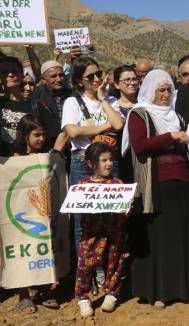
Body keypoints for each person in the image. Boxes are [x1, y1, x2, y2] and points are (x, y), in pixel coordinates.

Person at [123, 69, 189, 309]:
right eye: (161, 90)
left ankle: (183, 288)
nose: (165, 94)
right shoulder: (139, 114)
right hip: (156, 186)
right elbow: (140, 147)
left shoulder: (177, 117)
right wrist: (171, 136)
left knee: (179, 236)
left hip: (181, 185)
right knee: (158, 238)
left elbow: (186, 142)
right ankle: (159, 291)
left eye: (169, 89)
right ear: (150, 90)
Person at [5, 114, 67, 313]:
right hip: (20, 214)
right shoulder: (13, 158)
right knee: (23, 249)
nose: (41, 139)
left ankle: (46, 290)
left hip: (43, 214)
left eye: (43, 135)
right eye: (36, 135)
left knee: (45, 247)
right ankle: (24, 294)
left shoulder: (47, 156)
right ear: (25, 136)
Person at [62, 57, 125, 250]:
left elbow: (119, 124)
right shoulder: (72, 101)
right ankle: (86, 268)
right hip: (82, 161)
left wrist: (102, 100)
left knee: (110, 215)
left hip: (107, 161)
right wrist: (103, 126)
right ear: (80, 80)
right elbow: (72, 131)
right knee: (83, 218)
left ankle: (106, 266)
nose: (96, 79)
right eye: (90, 76)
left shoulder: (111, 100)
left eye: (98, 73)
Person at [74, 142, 127, 317]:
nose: (109, 163)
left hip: (113, 234)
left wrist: (127, 209)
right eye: (104, 160)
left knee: (114, 263)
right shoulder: (82, 185)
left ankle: (111, 293)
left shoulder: (117, 183)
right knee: (85, 266)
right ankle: (83, 298)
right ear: (91, 164)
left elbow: (126, 209)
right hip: (90, 235)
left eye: (111, 159)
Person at [31, 60, 73, 136]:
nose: (59, 79)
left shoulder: (72, 95)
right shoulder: (37, 98)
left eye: (61, 75)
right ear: (43, 80)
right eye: (53, 76)